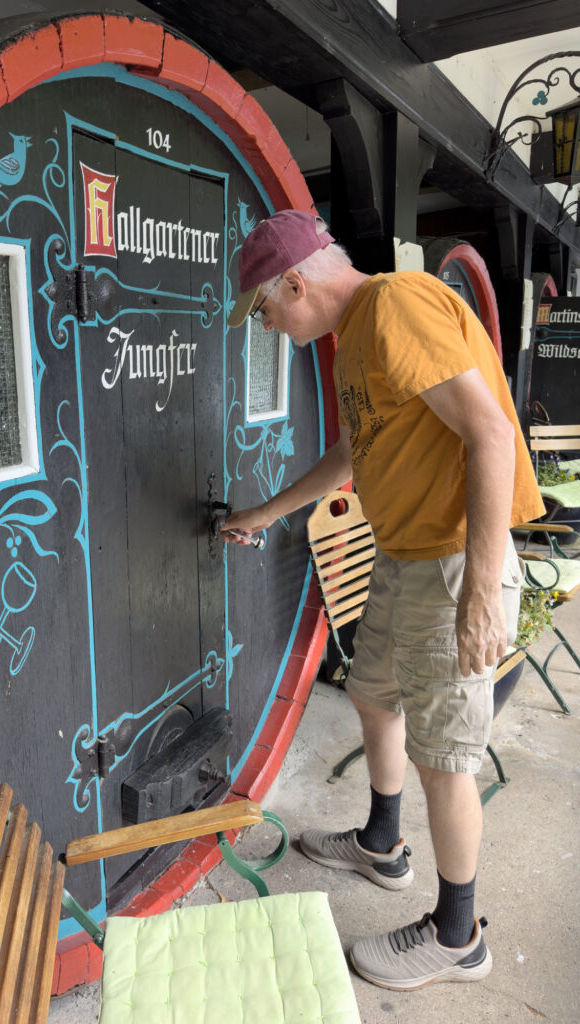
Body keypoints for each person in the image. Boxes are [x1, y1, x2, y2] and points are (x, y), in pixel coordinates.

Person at [224, 210, 544, 991]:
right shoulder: (355, 338)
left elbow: (492, 435)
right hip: (406, 555)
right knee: (373, 698)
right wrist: (267, 512)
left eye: (266, 310)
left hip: (451, 560)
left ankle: (458, 935)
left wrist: (478, 590)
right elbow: (351, 452)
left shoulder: (398, 305)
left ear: (296, 283)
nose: (269, 327)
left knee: (445, 759)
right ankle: (382, 842)